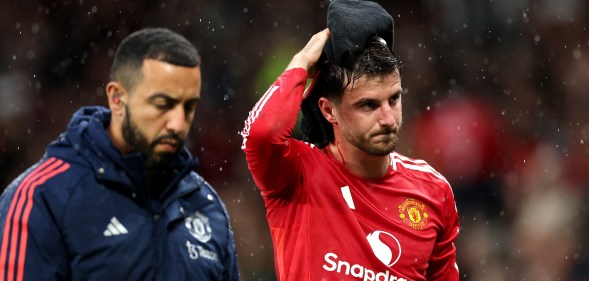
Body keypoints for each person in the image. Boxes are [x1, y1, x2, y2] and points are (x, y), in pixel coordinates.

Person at [0, 28, 239, 281]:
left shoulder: (207, 207)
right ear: (117, 98)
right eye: (162, 104)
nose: (178, 124)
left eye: (189, 107)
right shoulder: (43, 197)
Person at [241, 18, 459, 281]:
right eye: (369, 105)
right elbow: (262, 134)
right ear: (328, 110)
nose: (388, 119)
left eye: (394, 99)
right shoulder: (296, 173)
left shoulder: (434, 191)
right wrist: (302, 62)